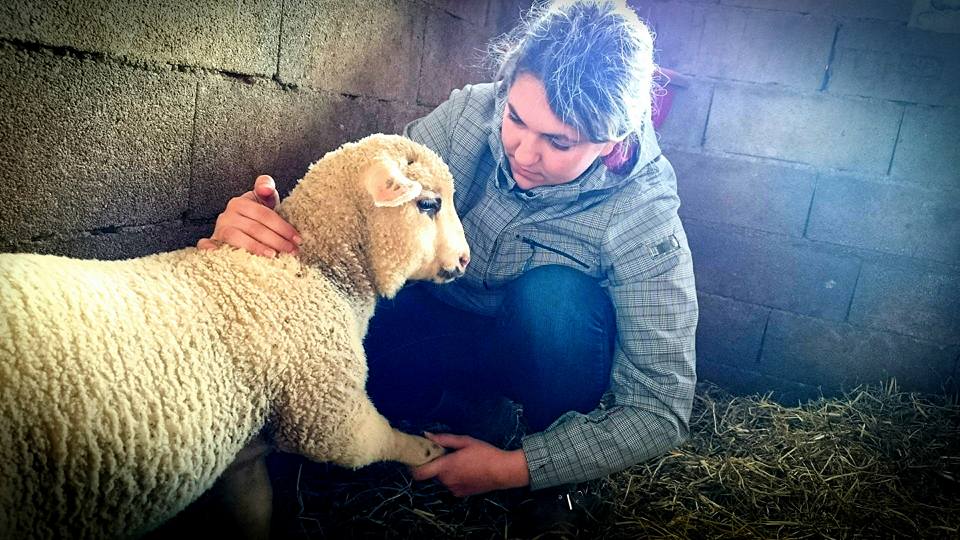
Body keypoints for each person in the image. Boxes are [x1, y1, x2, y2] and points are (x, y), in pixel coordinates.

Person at [199, 0, 697, 522]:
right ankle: (455, 408)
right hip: (434, 320)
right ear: (508, 89)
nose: (524, 153)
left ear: (612, 144)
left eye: (558, 142)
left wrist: (516, 467)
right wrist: (263, 231)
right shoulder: (468, 116)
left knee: (556, 301)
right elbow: (357, 209)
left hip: (536, 353)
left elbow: (660, 407)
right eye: (516, 118)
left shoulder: (643, 211)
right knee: (335, 367)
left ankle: (549, 484)